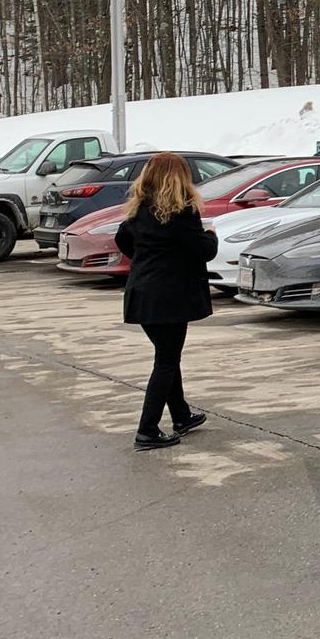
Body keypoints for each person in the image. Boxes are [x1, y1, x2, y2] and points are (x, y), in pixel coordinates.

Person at [115, 152, 218, 451]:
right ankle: (147, 429)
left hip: (142, 295)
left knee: (168, 356)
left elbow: (124, 241)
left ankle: (181, 415)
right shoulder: (182, 213)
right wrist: (211, 236)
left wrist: (148, 260)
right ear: (180, 178)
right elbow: (202, 251)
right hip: (170, 298)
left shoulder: (138, 210)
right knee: (166, 361)